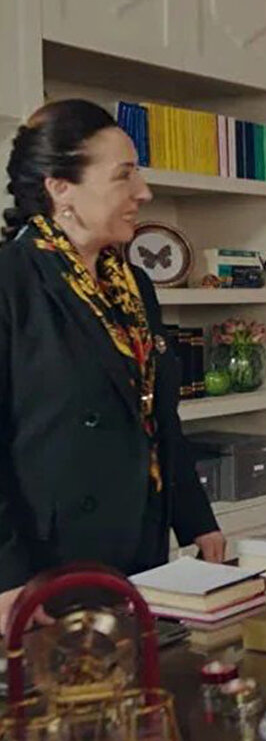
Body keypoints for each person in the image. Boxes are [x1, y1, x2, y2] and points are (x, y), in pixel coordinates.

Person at [0, 100, 225, 635]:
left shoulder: (134, 285)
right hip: (46, 562)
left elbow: (155, 416)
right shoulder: (10, 282)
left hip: (140, 545)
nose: (143, 192)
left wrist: (196, 520)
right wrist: (7, 576)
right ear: (61, 188)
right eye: (124, 175)